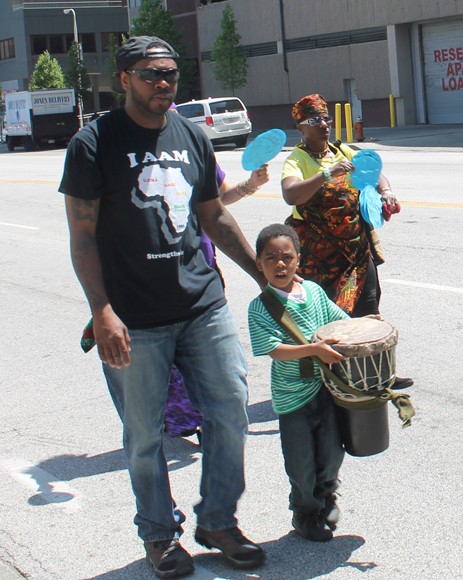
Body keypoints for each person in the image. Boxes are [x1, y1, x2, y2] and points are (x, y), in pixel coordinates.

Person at [60, 36, 266, 579]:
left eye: (171, 74)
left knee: (230, 410)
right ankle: (159, 535)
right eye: (152, 74)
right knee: (146, 434)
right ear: (124, 77)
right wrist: (102, 312)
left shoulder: (192, 136)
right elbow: (82, 237)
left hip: (202, 304)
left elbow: (213, 216)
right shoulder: (93, 143)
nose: (164, 83)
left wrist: (261, 276)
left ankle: (218, 521)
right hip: (132, 317)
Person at [281, 94, 412, 390]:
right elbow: (291, 194)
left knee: (369, 312)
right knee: (326, 323)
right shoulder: (296, 160)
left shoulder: (343, 150)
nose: (323, 125)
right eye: (314, 121)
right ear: (300, 129)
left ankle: (377, 375)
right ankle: (326, 383)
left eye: (326, 119)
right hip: (321, 258)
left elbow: (374, 172)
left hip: (355, 250)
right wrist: (325, 174)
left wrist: (387, 191)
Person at [248, 224, 350, 542]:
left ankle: (327, 495)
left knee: (333, 452)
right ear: (259, 263)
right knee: (301, 460)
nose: (280, 264)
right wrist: (315, 350)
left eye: (287, 257)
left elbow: (339, 320)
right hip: (292, 398)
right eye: (271, 258)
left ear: (298, 260)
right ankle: (305, 513)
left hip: (324, 388)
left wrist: (364, 323)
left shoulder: (315, 293)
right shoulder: (260, 307)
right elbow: (275, 351)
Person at [164, 161, 269, 439]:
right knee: (171, 360)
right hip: (154, 281)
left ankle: (211, 426)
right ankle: (186, 418)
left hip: (201, 269)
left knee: (219, 370)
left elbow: (217, 199)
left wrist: (250, 185)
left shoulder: (191, 143)